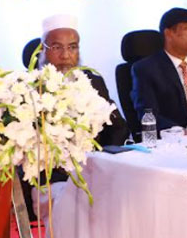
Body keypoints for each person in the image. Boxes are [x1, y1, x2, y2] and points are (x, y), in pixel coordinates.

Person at [38, 13, 128, 147]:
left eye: (72, 47)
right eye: (57, 48)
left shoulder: (94, 82)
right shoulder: (31, 87)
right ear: (42, 49)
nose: (65, 55)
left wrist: (103, 155)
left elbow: (119, 128)